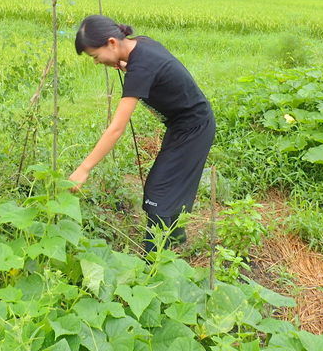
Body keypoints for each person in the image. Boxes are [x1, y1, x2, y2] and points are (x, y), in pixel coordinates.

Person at [69, 15, 215, 253]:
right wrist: (127, 65)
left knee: (158, 194)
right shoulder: (140, 46)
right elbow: (154, 68)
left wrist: (84, 169)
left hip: (194, 129)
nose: (96, 62)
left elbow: (116, 128)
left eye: (95, 56)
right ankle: (174, 242)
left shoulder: (141, 67)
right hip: (183, 126)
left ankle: (154, 260)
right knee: (163, 189)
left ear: (112, 43)